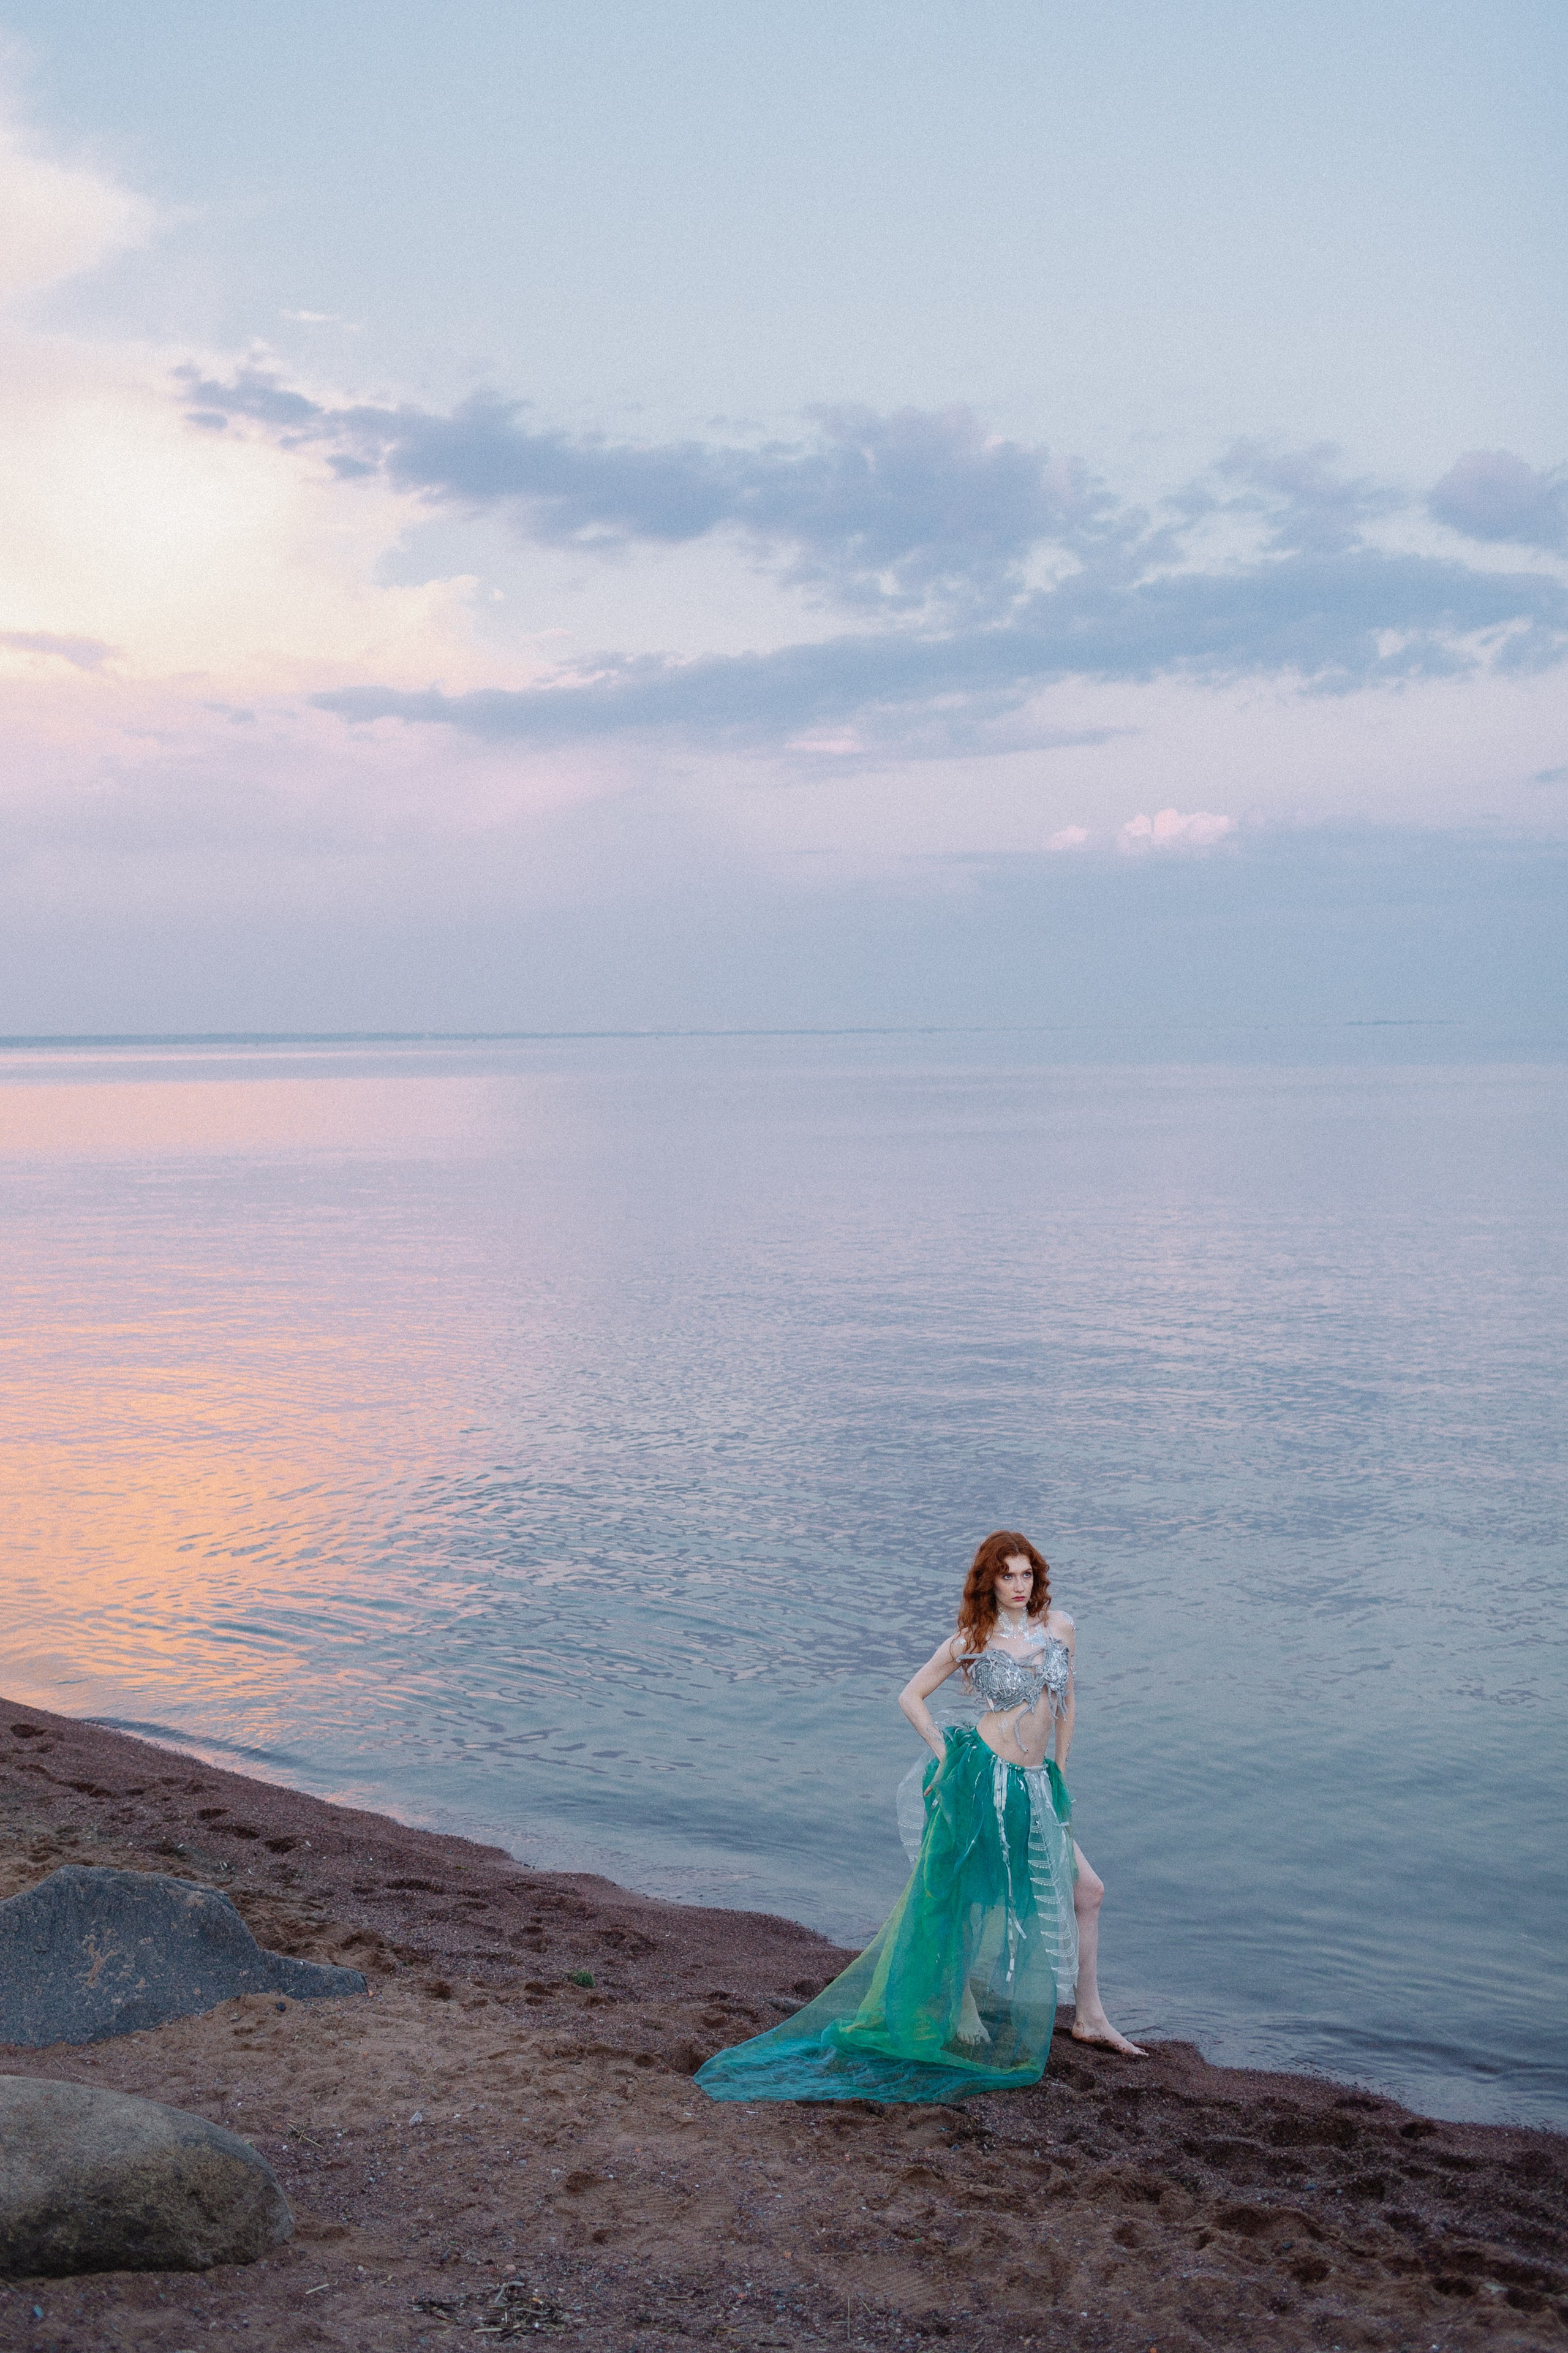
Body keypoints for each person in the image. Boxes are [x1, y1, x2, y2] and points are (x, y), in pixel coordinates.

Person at [696, 1530, 1143, 2105]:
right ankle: (962, 1999)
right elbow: (910, 1695)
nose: (1018, 1585)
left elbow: (1067, 1703)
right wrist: (944, 1752)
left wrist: (1059, 1775)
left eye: (1026, 1574)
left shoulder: (1060, 1628)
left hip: (1036, 1785)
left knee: (1090, 1890)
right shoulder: (972, 1639)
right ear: (988, 1581)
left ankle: (1089, 2016)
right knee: (965, 1893)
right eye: (1006, 1575)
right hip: (982, 1778)